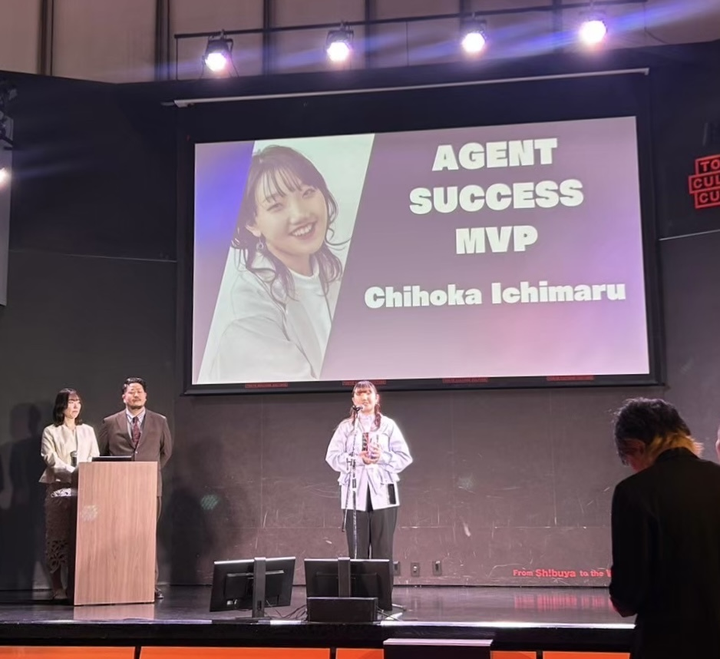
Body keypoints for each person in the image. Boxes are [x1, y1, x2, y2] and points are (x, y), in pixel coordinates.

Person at [205, 144, 344, 383]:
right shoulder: (247, 304)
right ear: (251, 224)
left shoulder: (331, 271)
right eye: (276, 206)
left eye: (307, 193)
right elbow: (298, 395)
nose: (301, 214)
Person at [609, 397, 720, 658]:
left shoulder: (634, 493)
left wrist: (618, 590)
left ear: (636, 447)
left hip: (667, 645)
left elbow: (628, 596)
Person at [98, 377, 172, 600]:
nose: (136, 395)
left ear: (146, 396)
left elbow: (165, 452)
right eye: (131, 391)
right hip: (119, 489)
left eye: (139, 391)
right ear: (124, 397)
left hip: (149, 488)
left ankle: (149, 584)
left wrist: (147, 473)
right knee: (118, 535)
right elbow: (103, 454)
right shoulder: (110, 422)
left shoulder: (160, 421)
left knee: (147, 535)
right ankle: (119, 581)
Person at [325, 381, 413, 570]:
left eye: (368, 393)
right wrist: (358, 459)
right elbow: (332, 457)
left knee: (383, 550)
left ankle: (383, 589)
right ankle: (359, 589)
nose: (364, 397)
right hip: (354, 496)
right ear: (353, 399)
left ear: (376, 398)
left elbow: (404, 457)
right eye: (359, 393)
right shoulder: (346, 427)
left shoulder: (388, 425)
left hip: (385, 494)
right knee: (357, 552)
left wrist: (382, 457)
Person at [39, 388, 100, 600]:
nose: (75, 406)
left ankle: (82, 584)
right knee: (57, 537)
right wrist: (73, 472)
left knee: (84, 538)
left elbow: (94, 456)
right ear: (61, 405)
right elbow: (50, 458)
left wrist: (84, 473)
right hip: (59, 488)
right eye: (71, 402)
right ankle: (57, 586)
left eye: (78, 402)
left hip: (86, 489)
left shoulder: (88, 431)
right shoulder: (51, 431)